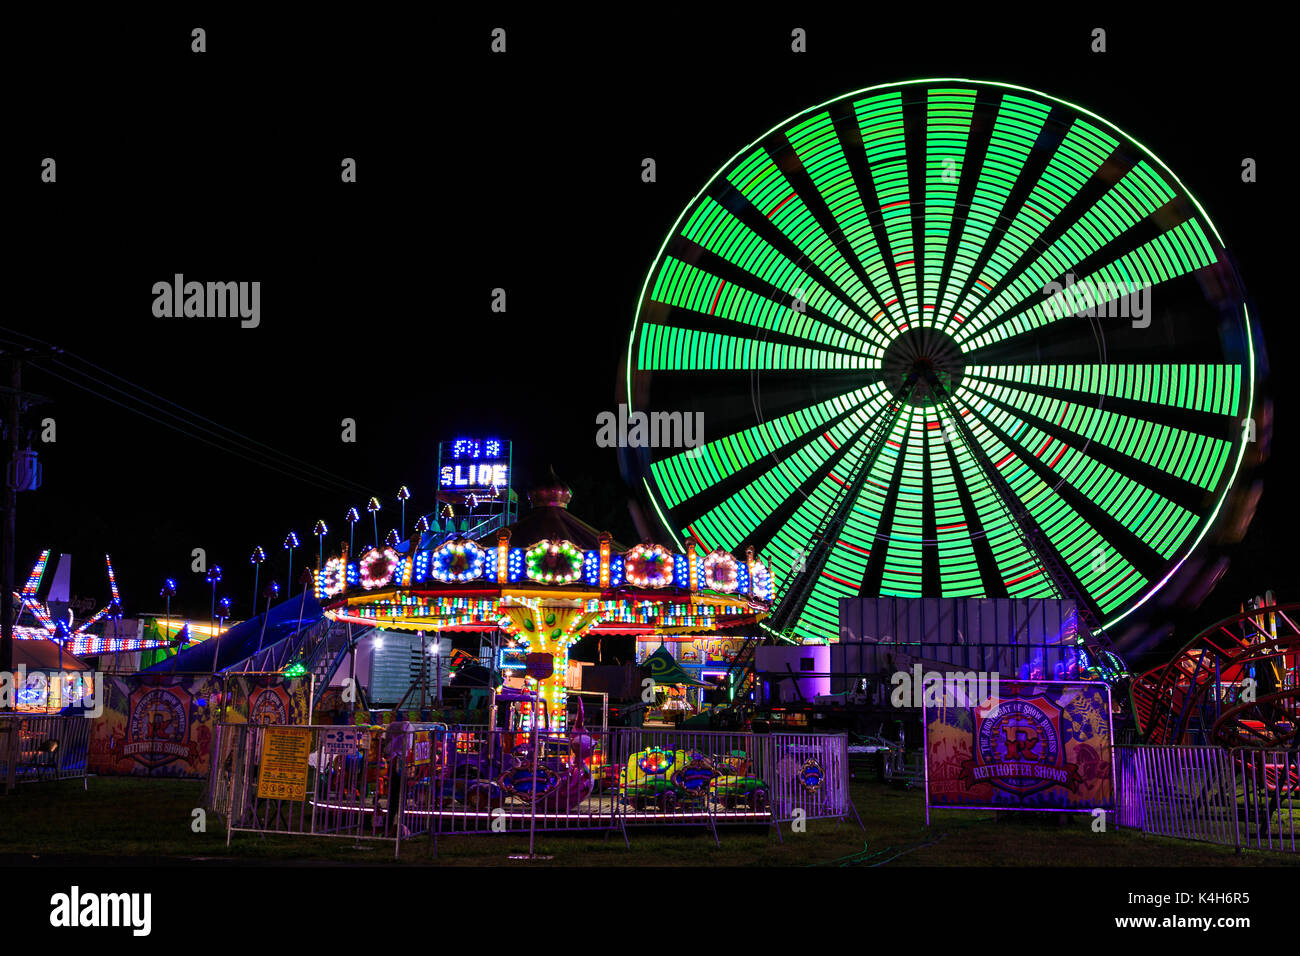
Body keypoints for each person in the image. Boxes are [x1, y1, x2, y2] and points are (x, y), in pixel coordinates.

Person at [383, 710, 414, 835]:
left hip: (398, 771)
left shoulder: (396, 751)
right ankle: (391, 828)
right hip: (398, 772)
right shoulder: (399, 752)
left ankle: (391, 827)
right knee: (396, 801)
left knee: (396, 801)